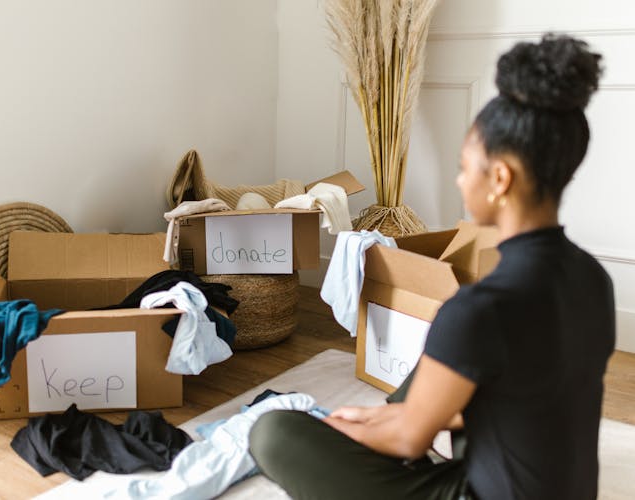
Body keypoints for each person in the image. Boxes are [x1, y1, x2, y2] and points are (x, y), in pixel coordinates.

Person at [248, 33, 614, 500]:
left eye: (465, 167)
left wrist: (346, 428)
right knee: (435, 373)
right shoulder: (593, 279)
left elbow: (408, 441)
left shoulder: (481, 307)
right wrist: (388, 418)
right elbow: (532, 399)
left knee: (272, 433)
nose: (460, 180)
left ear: (500, 178)